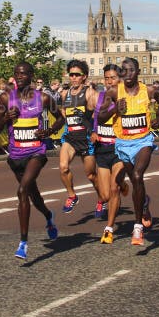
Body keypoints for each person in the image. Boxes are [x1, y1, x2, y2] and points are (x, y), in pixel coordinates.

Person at [0, 62, 62, 260]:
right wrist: (5, 117)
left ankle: (23, 243)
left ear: (31, 75)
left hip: (36, 153)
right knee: (33, 194)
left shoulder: (44, 98)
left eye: (23, 74)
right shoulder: (5, 98)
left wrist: (49, 131)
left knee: (22, 191)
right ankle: (48, 215)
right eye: (16, 74)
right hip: (15, 155)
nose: (19, 77)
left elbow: (61, 119)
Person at [99, 57, 159, 247]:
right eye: (124, 71)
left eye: (131, 70)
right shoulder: (113, 92)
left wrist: (158, 118)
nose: (127, 74)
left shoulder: (149, 90)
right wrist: (114, 110)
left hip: (143, 141)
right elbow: (101, 118)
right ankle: (143, 203)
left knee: (137, 176)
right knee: (135, 182)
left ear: (138, 72)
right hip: (123, 143)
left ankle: (137, 226)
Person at [57, 60, 101, 215]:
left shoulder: (90, 93)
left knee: (91, 174)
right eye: (71, 74)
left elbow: (101, 113)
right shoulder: (64, 94)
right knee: (63, 167)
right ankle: (72, 195)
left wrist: (94, 130)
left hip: (86, 138)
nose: (74, 78)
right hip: (70, 137)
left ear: (84, 77)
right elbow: (63, 112)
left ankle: (101, 198)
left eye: (77, 75)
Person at [92, 64, 127, 243]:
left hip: (119, 148)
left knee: (114, 190)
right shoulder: (101, 98)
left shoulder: (124, 97)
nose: (109, 81)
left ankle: (109, 227)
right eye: (106, 78)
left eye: (113, 78)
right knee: (105, 195)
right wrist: (93, 131)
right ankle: (127, 187)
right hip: (102, 149)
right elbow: (96, 117)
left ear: (120, 79)